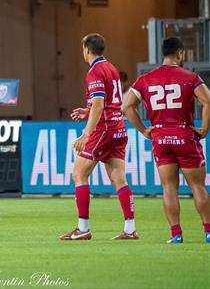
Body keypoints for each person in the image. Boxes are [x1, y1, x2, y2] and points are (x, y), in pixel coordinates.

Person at [124, 37, 210, 244]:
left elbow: (127, 107)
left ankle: (176, 234)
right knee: (197, 186)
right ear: (180, 53)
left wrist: (144, 130)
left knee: (169, 188)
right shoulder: (190, 77)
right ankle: (208, 232)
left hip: (161, 138)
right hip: (184, 135)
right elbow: (207, 101)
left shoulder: (145, 79)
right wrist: (205, 129)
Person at [60, 33, 138, 241]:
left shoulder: (94, 71)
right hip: (119, 128)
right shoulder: (112, 68)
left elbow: (99, 104)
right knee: (118, 179)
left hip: (104, 129)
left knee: (79, 174)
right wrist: (87, 111)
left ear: (86, 49)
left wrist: (86, 133)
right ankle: (130, 229)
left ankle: (83, 228)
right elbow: (106, 101)